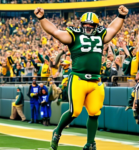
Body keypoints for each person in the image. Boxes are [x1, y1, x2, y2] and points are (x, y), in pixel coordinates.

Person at [34, 5, 129, 150]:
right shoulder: (74, 34)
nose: (89, 26)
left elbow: (113, 29)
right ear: (81, 25)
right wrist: (41, 18)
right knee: (75, 111)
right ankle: (57, 132)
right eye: (86, 24)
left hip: (96, 80)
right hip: (78, 78)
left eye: (91, 24)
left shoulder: (100, 34)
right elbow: (54, 31)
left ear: (96, 25)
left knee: (95, 112)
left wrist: (121, 16)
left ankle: (90, 143)